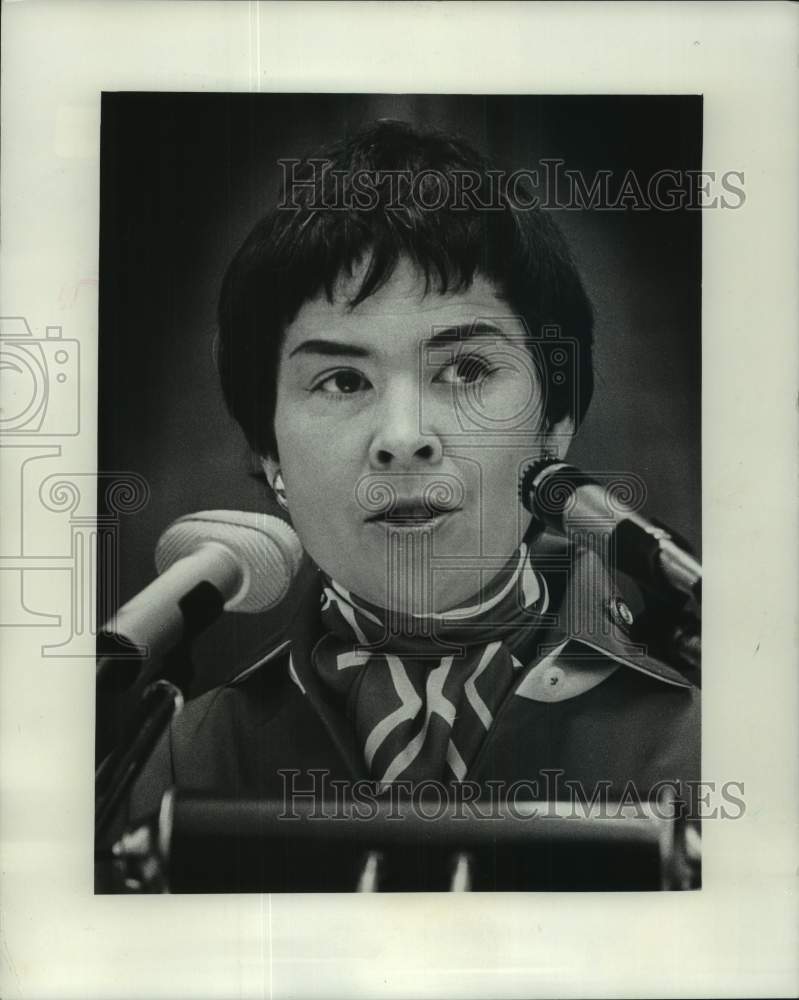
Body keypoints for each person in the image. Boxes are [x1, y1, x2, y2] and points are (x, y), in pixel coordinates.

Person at [121, 121, 699, 886]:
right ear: (269, 453)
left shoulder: (707, 733)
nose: (402, 438)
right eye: (342, 381)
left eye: (464, 369)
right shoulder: (173, 758)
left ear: (555, 424)